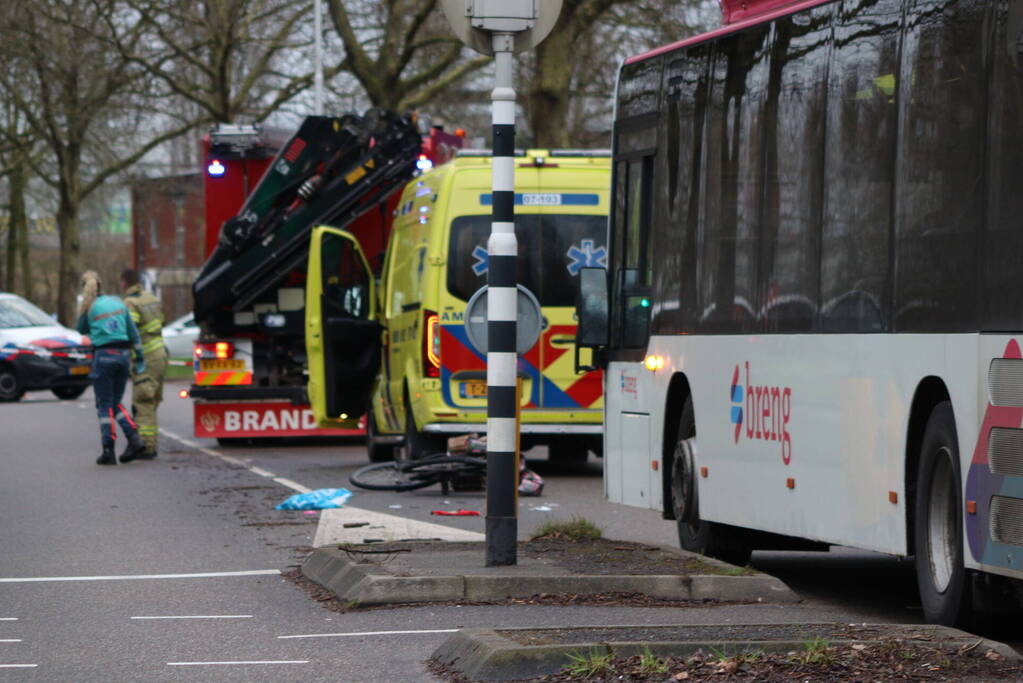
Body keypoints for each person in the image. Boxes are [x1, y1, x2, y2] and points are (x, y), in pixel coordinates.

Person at [76, 271, 147, 465]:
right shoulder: (118, 302)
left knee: (105, 404)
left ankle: (109, 450)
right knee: (115, 402)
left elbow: (81, 330)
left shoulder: (89, 308)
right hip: (123, 356)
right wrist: (140, 357)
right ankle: (134, 439)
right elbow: (133, 333)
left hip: (103, 357)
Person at [121, 268, 166, 459]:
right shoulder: (152, 298)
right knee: (152, 400)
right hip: (160, 353)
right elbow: (161, 322)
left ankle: (147, 447)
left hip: (145, 357)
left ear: (124, 283)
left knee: (143, 402)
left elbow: (131, 331)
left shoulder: (131, 303)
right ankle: (151, 442)